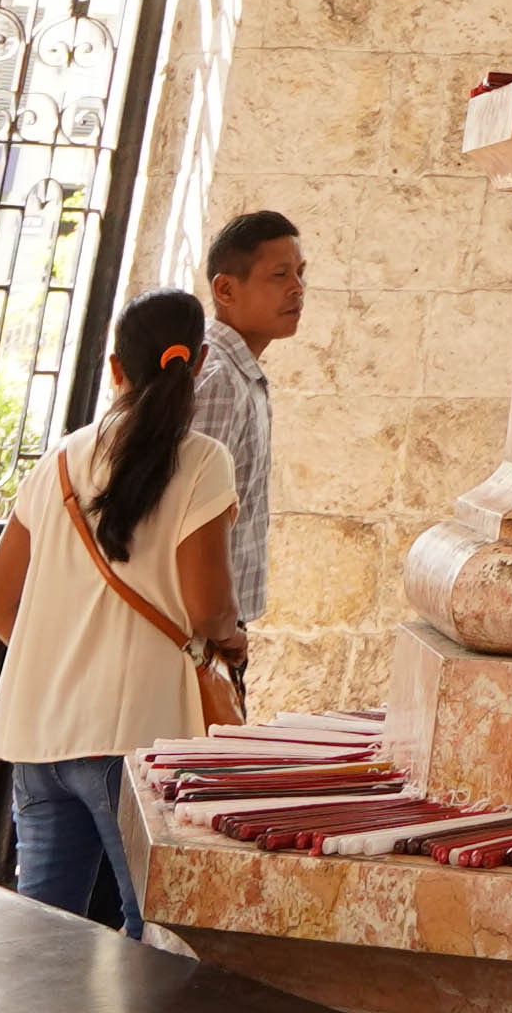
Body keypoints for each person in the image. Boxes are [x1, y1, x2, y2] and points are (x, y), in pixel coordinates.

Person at [0, 287, 238, 938]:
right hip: (139, 733)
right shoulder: (203, 462)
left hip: (40, 730)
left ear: (115, 367)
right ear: (199, 362)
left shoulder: (59, 462)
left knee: (42, 933)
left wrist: (56, 657)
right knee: (153, 929)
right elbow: (208, 609)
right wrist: (229, 638)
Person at [179, 210, 302, 702]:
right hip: (201, 631)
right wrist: (219, 627)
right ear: (226, 289)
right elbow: (186, 518)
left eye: (300, 274)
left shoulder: (239, 372)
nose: (297, 289)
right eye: (279, 275)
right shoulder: (218, 380)